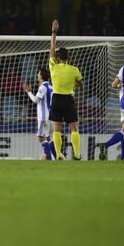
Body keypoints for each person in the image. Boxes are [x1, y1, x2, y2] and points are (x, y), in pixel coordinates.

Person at [48, 19, 83, 160]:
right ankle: (76, 154)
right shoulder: (74, 70)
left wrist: (54, 33)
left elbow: (51, 50)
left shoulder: (53, 67)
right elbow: (80, 84)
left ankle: (57, 155)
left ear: (57, 57)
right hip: (68, 99)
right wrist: (73, 82)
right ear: (69, 57)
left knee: (56, 129)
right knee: (73, 128)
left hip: (56, 98)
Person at [23, 68, 56, 160]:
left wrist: (28, 92)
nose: (37, 75)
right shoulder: (51, 87)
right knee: (48, 138)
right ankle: (57, 157)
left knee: (41, 137)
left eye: (38, 73)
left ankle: (48, 158)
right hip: (50, 116)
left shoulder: (42, 87)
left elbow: (35, 100)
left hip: (44, 117)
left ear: (41, 75)